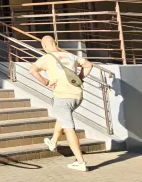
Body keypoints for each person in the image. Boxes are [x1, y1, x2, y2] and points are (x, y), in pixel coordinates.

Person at [30, 35, 94, 172]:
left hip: (62, 96)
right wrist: (80, 78)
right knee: (63, 117)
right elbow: (88, 65)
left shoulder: (46, 58)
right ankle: (53, 141)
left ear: (44, 46)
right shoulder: (69, 56)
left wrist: (46, 82)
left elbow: (32, 70)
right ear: (55, 43)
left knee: (68, 128)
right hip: (77, 96)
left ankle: (80, 161)